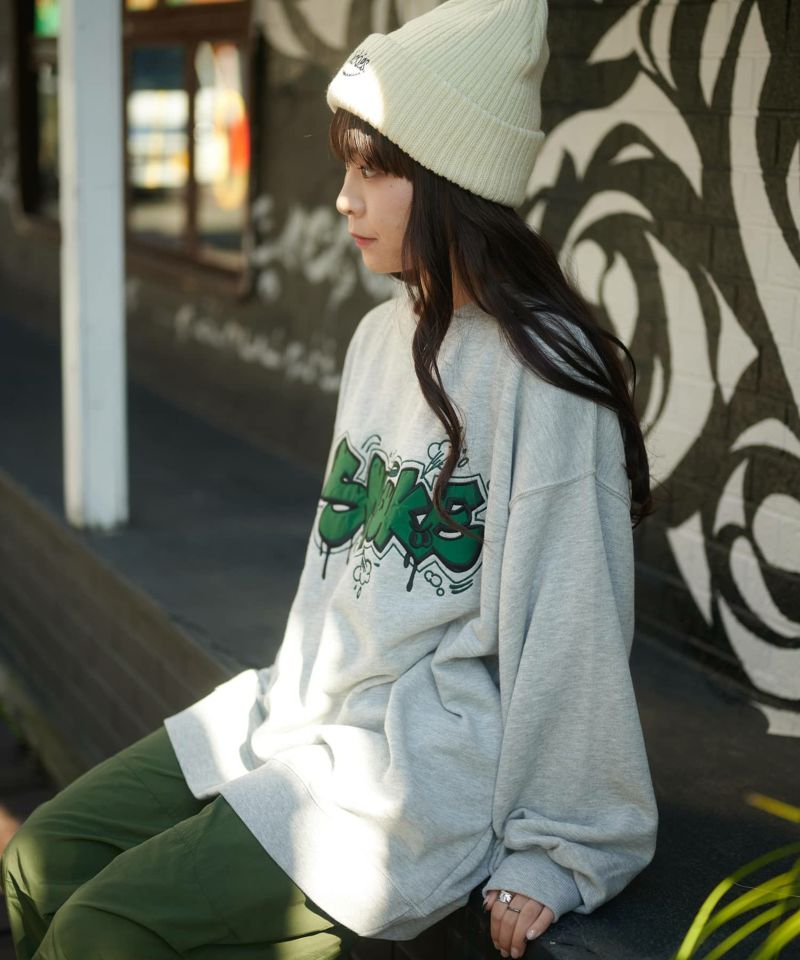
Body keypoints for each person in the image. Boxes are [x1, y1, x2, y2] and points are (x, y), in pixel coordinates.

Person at [0, 1, 659, 958]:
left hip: (418, 767)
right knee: (40, 858)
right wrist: (292, 712)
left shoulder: (546, 377)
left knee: (99, 934)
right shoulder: (379, 336)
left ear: (454, 182)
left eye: (374, 170)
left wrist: (559, 847)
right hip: (303, 711)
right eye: (348, 167)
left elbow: (574, 627)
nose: (344, 199)